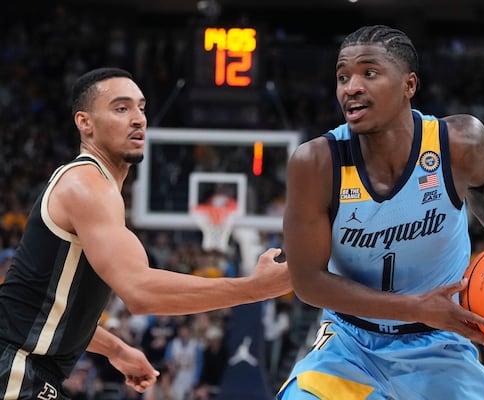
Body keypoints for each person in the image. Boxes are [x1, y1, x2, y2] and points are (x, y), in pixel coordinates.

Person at [278, 25, 484, 400]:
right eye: (342, 76)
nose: (351, 87)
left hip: (440, 344)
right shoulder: (315, 163)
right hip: (349, 346)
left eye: (369, 73)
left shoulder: (460, 142)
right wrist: (415, 307)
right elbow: (308, 282)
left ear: (409, 85)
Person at [0, 67, 291, 400]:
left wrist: (115, 348)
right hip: (16, 368)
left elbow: (38, 305)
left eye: (141, 107)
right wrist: (253, 289)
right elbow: (140, 291)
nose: (138, 118)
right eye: (121, 108)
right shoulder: (87, 186)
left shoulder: (91, 187)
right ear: (85, 123)